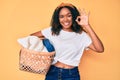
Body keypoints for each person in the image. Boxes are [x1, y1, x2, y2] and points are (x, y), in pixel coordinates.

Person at [31, 2, 104, 80]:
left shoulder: (81, 35)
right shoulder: (52, 31)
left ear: (74, 17)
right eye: (61, 16)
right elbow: (31, 37)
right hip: (52, 72)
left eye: (69, 16)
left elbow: (100, 49)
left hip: (71, 75)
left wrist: (87, 26)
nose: (65, 19)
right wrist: (46, 45)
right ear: (58, 19)